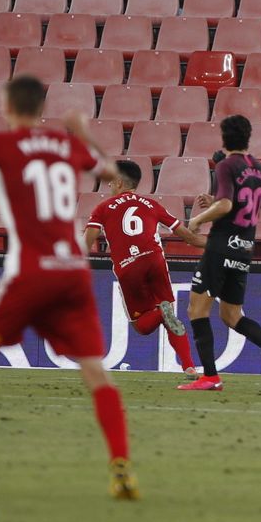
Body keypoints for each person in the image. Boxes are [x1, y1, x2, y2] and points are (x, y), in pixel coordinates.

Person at [0, 75, 139, 500]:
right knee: (94, 369)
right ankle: (121, 467)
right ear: (40, 107)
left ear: (8, 106)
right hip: (73, 268)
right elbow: (111, 171)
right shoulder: (65, 144)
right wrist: (83, 131)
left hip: (30, 271)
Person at [180, 115, 261, 393]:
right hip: (244, 248)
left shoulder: (226, 165)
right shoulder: (258, 168)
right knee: (232, 316)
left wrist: (199, 219)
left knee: (197, 310)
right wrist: (218, 203)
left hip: (221, 246)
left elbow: (225, 205)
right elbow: (243, 204)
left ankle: (210, 376)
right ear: (248, 137)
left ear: (224, 138)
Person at [82, 159, 209, 379]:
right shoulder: (152, 204)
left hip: (128, 267)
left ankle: (161, 312)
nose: (109, 186)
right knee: (172, 318)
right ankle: (189, 366)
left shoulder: (102, 208)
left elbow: (85, 243)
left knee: (141, 326)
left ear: (120, 182)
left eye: (111, 182)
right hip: (155, 260)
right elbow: (188, 237)